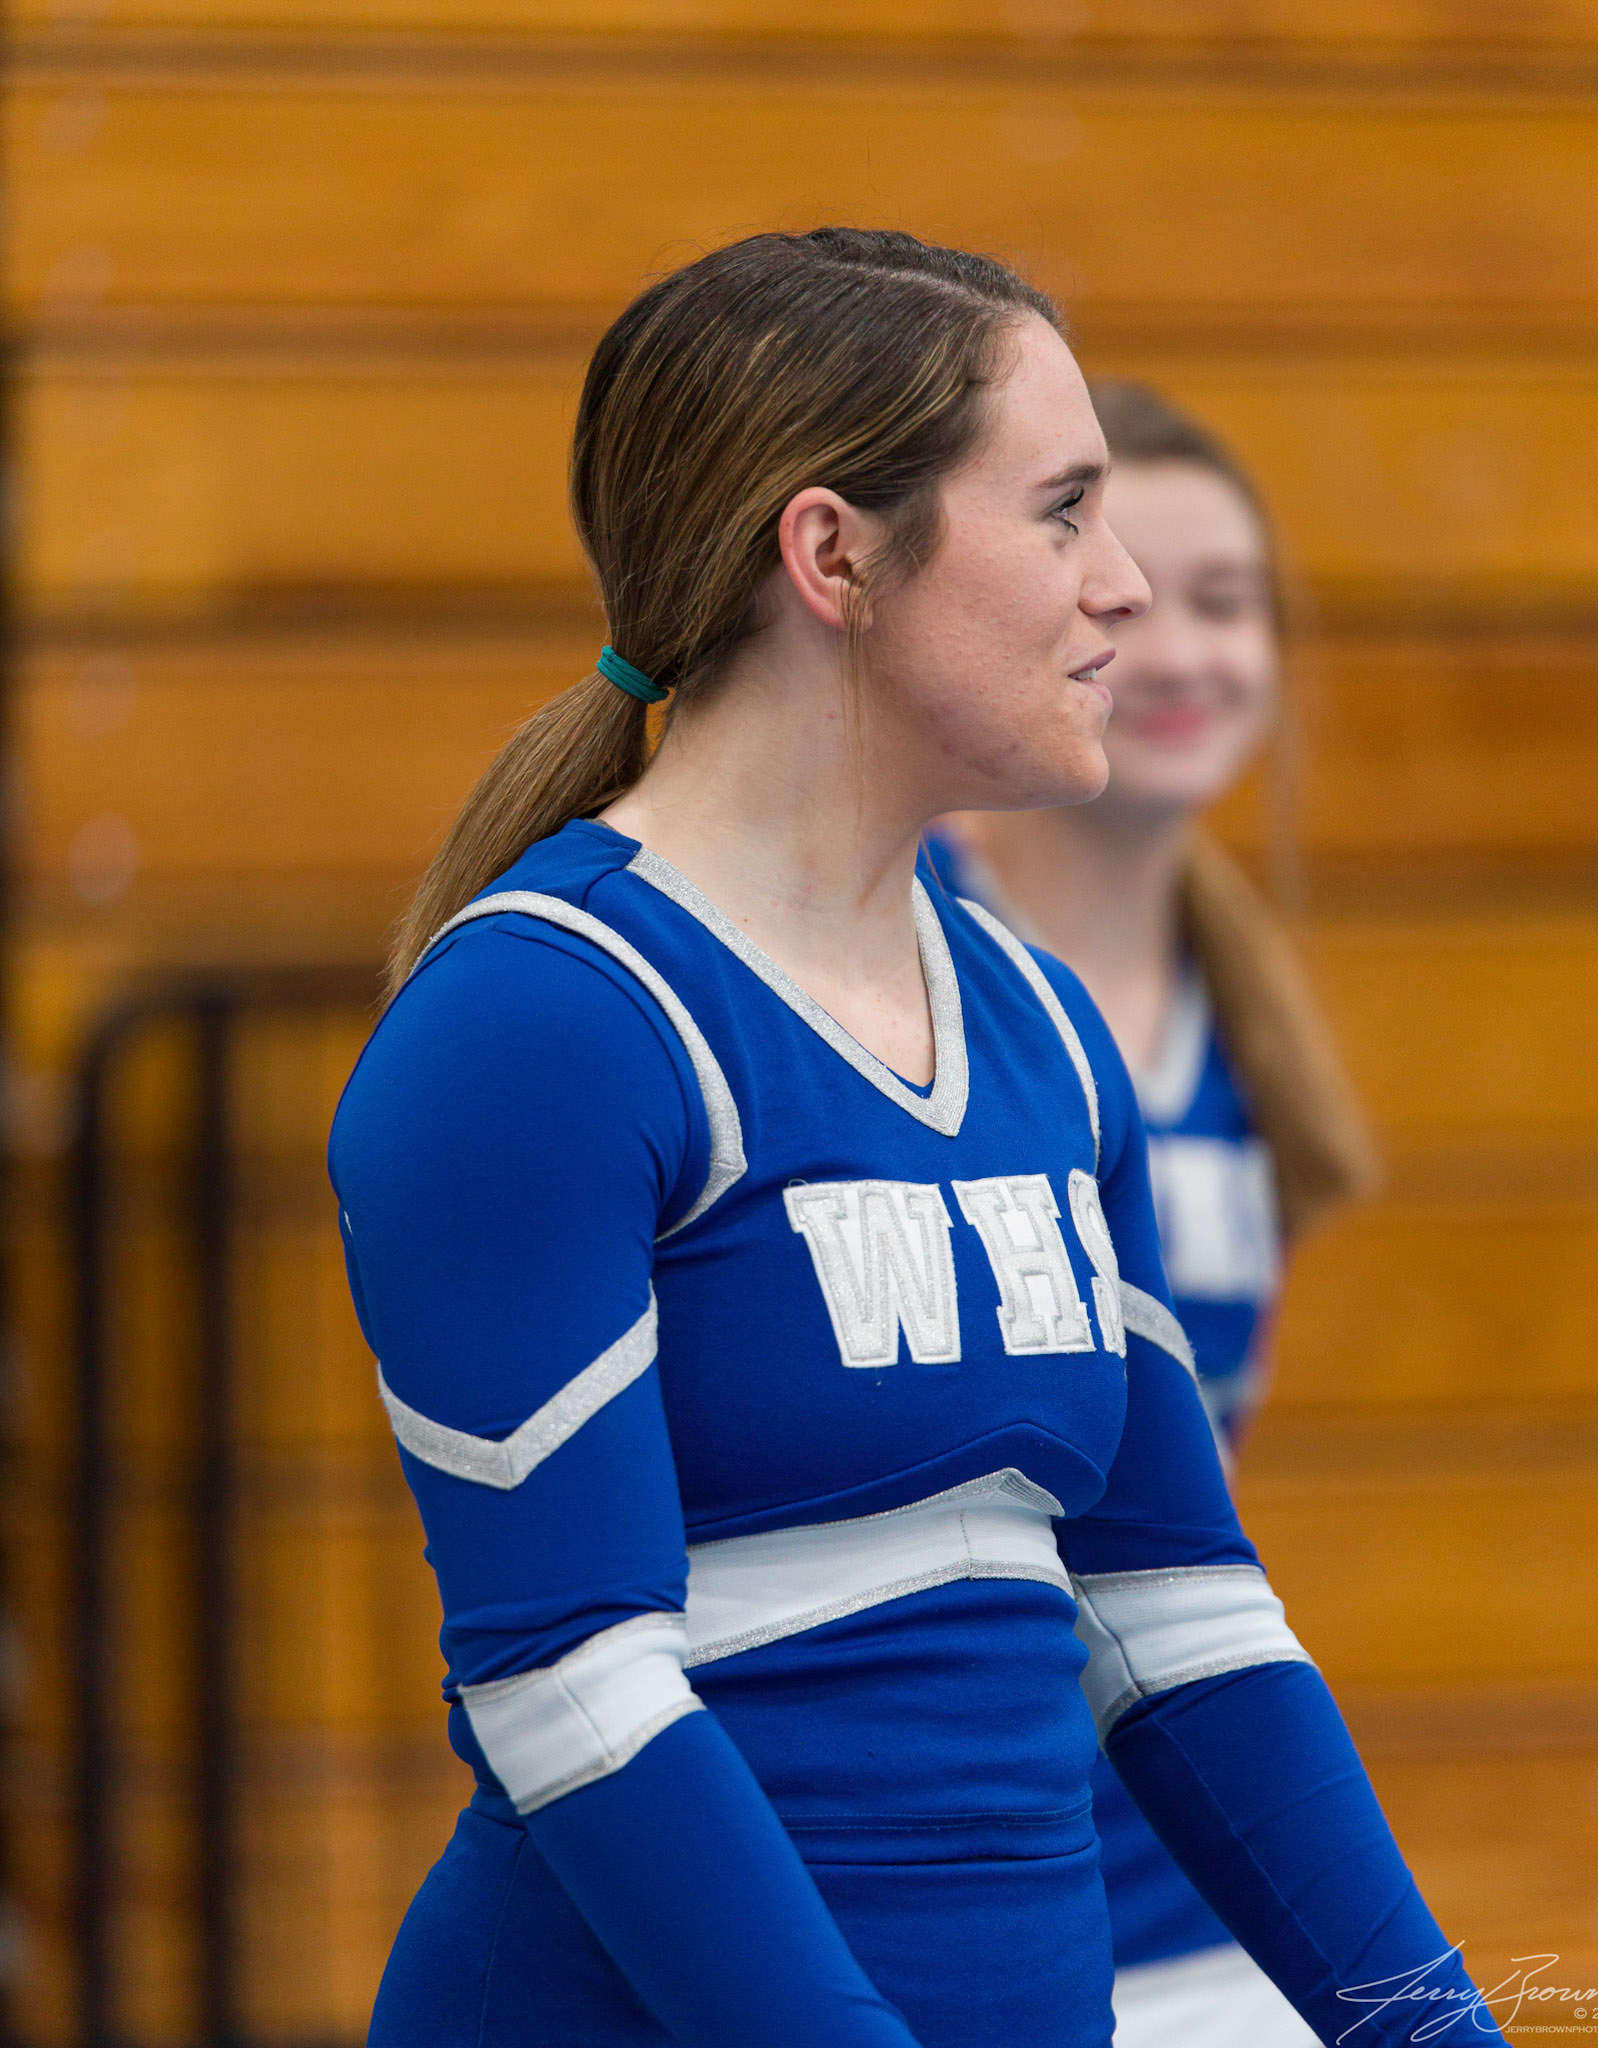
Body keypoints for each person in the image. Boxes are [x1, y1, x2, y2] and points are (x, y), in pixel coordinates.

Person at [328, 230, 1500, 2048]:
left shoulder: (1036, 1024)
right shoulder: (546, 1021)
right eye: (1062, 512)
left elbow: (1182, 1618)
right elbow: (567, 1683)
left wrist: (1428, 2031)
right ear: (833, 557)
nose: (1120, 586)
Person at [930, 383, 1382, 2046]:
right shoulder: (889, 952)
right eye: (1131, 593)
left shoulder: (1242, 1021)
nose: (1181, 650)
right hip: (942, 1889)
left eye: (1228, 601)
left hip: (1190, 1894)